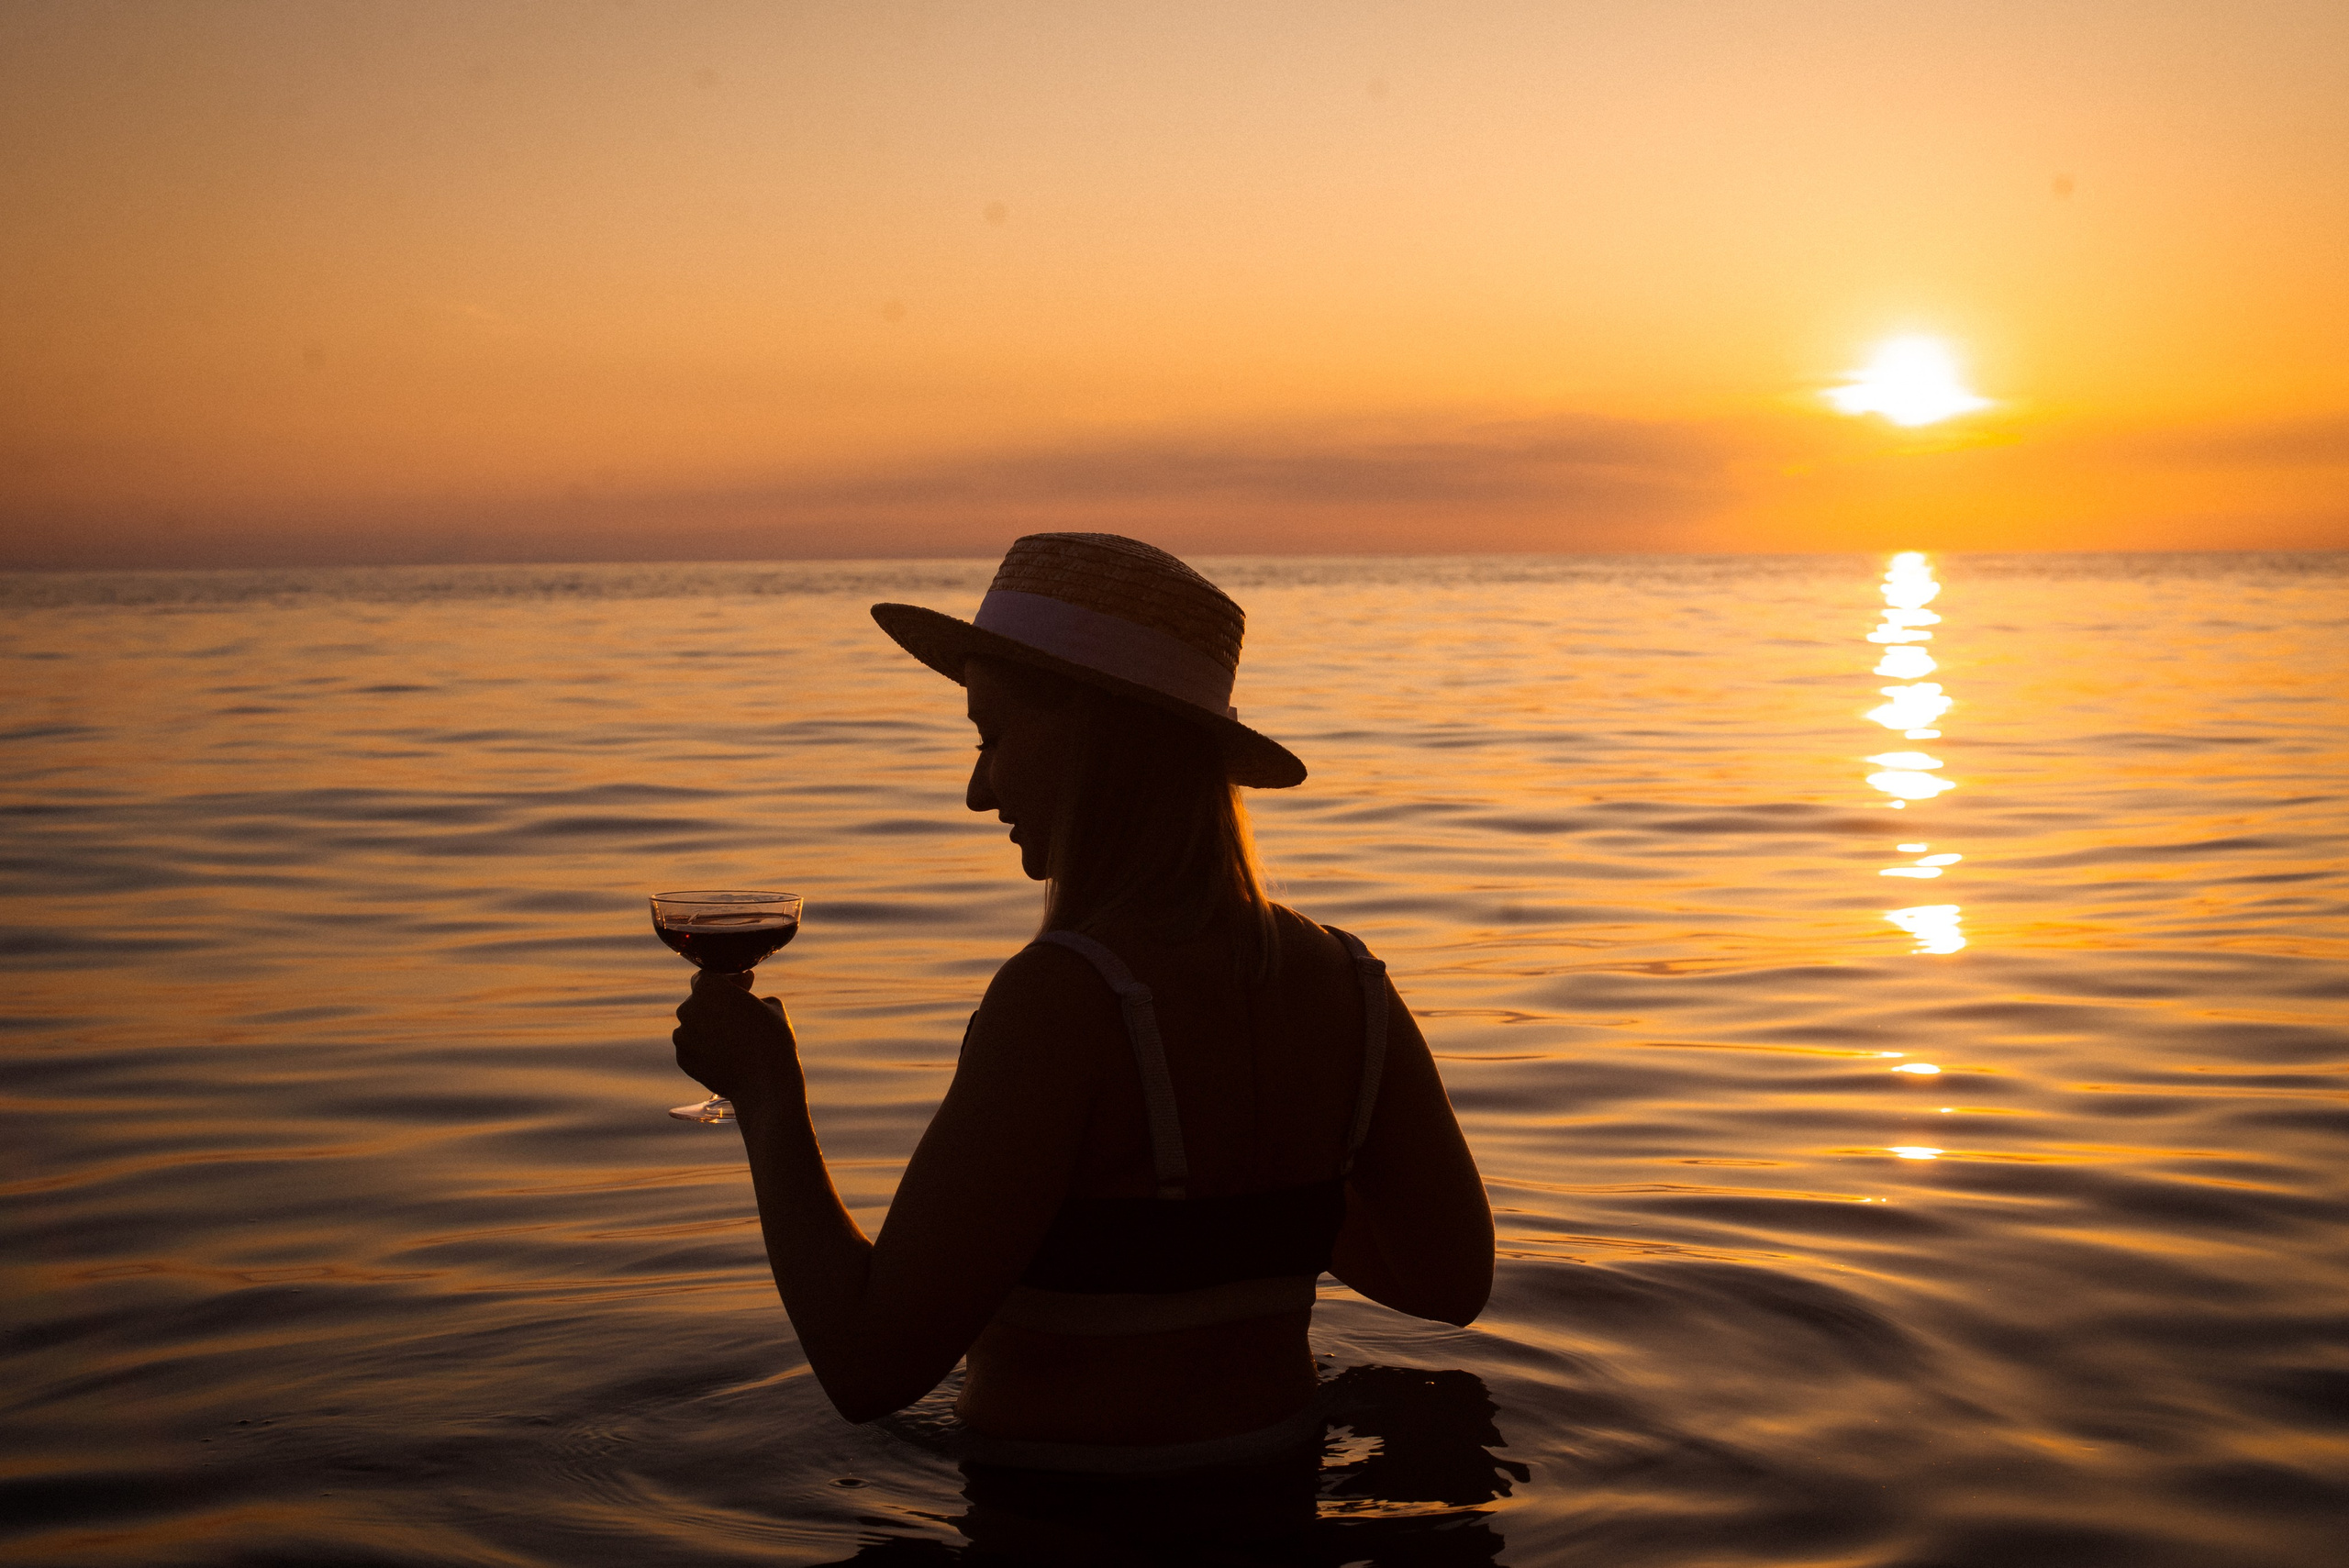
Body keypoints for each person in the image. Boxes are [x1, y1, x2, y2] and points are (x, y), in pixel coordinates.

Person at [672, 532, 1492, 1552]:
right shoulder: (1350, 985)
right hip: (1278, 1502)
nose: (977, 790)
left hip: (1055, 1520)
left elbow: (866, 1367)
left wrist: (766, 1095)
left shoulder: (1062, 1001)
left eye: (993, 735)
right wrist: (1260, 1162)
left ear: (1097, 738)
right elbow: (1451, 1283)